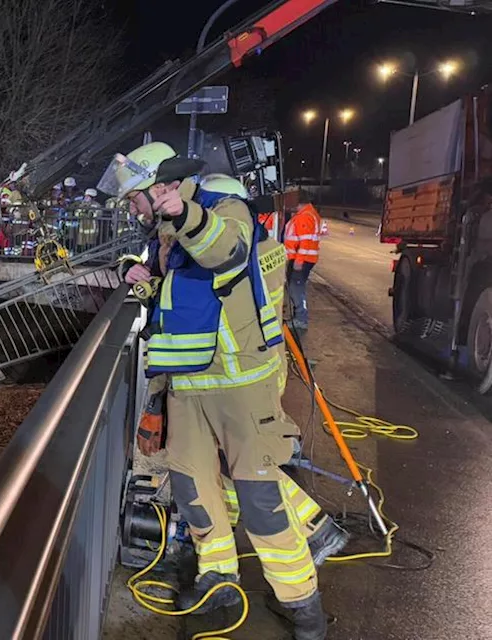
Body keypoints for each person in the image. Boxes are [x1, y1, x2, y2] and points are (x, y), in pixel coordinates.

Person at [104, 142, 328, 639]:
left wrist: (186, 214)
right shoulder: (165, 234)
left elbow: (226, 249)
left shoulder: (223, 213)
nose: (130, 208)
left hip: (242, 388)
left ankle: (302, 605)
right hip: (188, 388)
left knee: (260, 502)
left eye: (133, 198)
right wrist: (134, 274)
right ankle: (218, 579)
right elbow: (171, 297)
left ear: (158, 187)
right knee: (195, 492)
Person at [284, 193, 322, 338]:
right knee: (296, 288)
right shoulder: (308, 214)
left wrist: (299, 261)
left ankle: (301, 319)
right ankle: (299, 317)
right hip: (303, 258)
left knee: (296, 288)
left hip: (302, 260)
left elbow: (305, 241)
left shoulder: (305, 216)